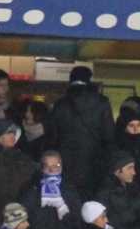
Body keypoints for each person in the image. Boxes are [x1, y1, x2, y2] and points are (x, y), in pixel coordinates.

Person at [48, 66, 113, 197]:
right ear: (89, 80)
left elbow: (52, 136)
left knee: (68, 200)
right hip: (93, 163)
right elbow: (109, 135)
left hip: (65, 164)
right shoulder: (102, 102)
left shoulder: (60, 104)